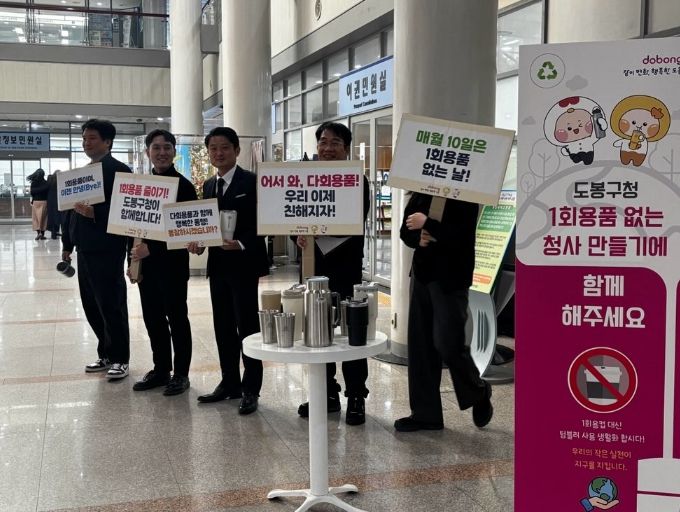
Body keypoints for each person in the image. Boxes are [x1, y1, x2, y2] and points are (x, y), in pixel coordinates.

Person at [394, 192, 493, 432]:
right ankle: (425, 414)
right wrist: (418, 238)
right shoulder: (420, 191)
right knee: (420, 345)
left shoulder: (465, 193)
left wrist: (428, 224)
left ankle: (478, 390)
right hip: (422, 275)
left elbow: (462, 236)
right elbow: (405, 231)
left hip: (451, 278)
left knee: (448, 342)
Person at [188, 127, 269, 414]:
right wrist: (199, 243)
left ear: (236, 150)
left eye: (224, 147)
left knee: (247, 327)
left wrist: (242, 243)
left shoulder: (253, 182)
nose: (218, 153)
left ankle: (251, 388)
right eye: (213, 148)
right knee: (222, 326)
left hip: (244, 266)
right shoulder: (210, 185)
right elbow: (208, 225)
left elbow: (265, 222)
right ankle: (229, 382)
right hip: (219, 266)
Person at [295, 121, 371, 426]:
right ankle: (325, 393)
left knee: (352, 334)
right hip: (313, 268)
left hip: (345, 267)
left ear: (346, 149)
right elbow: (292, 215)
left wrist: (318, 229)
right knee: (317, 331)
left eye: (335, 143)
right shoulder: (303, 178)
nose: (327, 148)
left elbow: (353, 220)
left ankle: (356, 396)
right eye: (323, 142)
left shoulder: (357, 180)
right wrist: (298, 235)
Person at [62, 119, 131, 380]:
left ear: (107, 142)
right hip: (84, 248)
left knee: (111, 303)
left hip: (108, 248)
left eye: (92, 138)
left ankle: (120, 358)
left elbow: (126, 209)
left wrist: (96, 214)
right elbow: (70, 212)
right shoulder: (82, 173)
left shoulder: (119, 171)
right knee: (91, 304)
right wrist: (67, 244)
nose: (86, 143)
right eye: (84, 138)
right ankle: (106, 352)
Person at [130, 129, 197, 396]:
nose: (162, 153)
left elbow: (185, 231)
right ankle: (160, 369)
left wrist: (152, 250)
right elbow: (131, 226)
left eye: (167, 147)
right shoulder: (141, 186)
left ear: (174, 152)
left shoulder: (184, 187)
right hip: (146, 268)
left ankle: (181, 374)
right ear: (147, 152)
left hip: (172, 267)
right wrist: (132, 261)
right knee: (153, 319)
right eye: (156, 148)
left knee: (177, 319)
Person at [29, 168, 49, 240]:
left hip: (36, 202)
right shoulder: (46, 183)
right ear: (43, 175)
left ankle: (38, 234)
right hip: (44, 202)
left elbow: (32, 193)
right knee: (44, 218)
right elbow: (48, 193)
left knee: (36, 218)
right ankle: (42, 234)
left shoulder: (34, 183)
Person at [46, 170, 62, 239]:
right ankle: (55, 232)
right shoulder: (59, 180)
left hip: (50, 200)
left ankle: (54, 232)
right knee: (57, 216)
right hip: (57, 200)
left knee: (52, 216)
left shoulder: (50, 180)